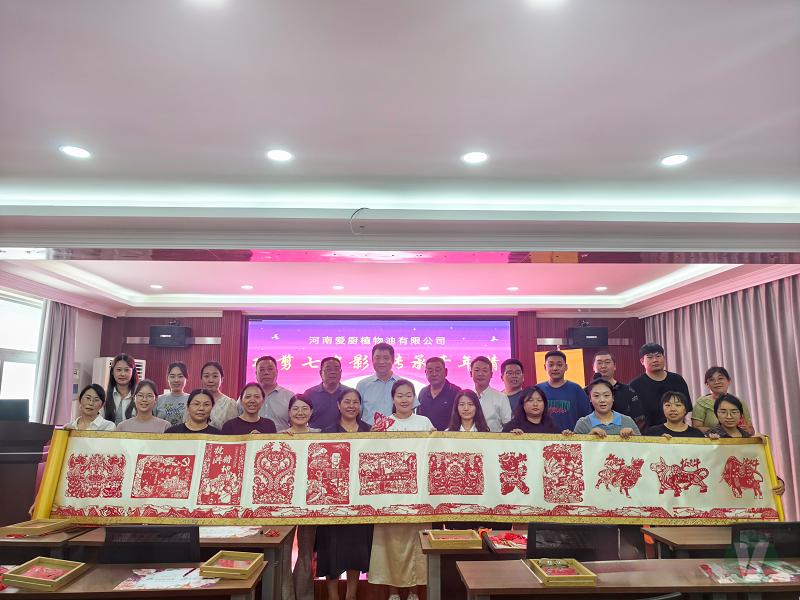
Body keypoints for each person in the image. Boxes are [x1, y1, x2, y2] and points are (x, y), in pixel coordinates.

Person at [368, 379, 434, 600]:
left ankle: (414, 592)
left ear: (414, 398)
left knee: (418, 540)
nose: (404, 399)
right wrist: (371, 439)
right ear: (392, 398)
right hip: (390, 495)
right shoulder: (383, 424)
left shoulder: (424, 422)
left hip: (419, 494)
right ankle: (393, 593)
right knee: (391, 544)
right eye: (400, 395)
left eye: (408, 395)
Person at [316, 389, 373, 600]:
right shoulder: (327, 432)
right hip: (332, 501)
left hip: (361, 500)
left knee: (356, 549)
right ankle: (332, 596)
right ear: (339, 405)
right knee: (331, 549)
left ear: (360, 406)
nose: (351, 406)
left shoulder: (370, 431)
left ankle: (351, 595)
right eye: (347, 402)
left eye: (355, 402)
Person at [280, 394, 320, 600]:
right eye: (295, 409)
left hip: (310, 499)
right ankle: (285, 595)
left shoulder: (321, 436)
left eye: (305, 408)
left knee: (306, 550)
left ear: (311, 412)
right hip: (284, 500)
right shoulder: (279, 436)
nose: (300, 412)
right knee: (283, 551)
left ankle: (304, 596)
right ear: (289, 412)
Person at [706, 395, 786, 497]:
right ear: (716, 414)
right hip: (721, 493)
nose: (729, 416)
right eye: (723, 412)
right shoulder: (709, 437)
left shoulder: (749, 438)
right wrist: (708, 443)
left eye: (734, 412)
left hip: (747, 495)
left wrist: (778, 481)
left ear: (741, 414)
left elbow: (761, 466)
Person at [629, 343, 691, 433]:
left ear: (664, 358)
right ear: (642, 361)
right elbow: (632, 415)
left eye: (658, 356)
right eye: (650, 357)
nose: (655, 360)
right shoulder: (635, 385)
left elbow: (686, 408)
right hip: (647, 434)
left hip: (676, 433)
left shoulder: (677, 380)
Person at [357, 343, 415, 426]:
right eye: (377, 358)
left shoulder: (405, 385)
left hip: (400, 431)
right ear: (372, 360)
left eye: (386, 358)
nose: (381, 362)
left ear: (393, 360)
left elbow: (411, 413)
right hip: (370, 432)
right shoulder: (362, 385)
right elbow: (358, 414)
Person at [588, 351, 646, 431]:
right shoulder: (585, 392)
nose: (603, 366)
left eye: (607, 362)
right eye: (599, 363)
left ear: (615, 366)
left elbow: (639, 420)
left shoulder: (627, 390)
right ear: (593, 367)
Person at [537, 350, 591, 431]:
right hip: (543, 438)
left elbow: (587, 418)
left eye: (559, 365)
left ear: (566, 367)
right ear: (545, 367)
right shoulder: (538, 390)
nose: (555, 368)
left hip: (571, 437)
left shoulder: (576, 389)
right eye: (551, 365)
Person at [692, 367, 755, 435]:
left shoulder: (738, 401)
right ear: (707, 384)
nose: (716, 382)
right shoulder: (702, 402)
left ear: (729, 381)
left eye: (720, 378)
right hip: (711, 440)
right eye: (712, 379)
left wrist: (747, 431)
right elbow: (695, 428)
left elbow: (751, 429)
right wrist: (720, 432)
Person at [571, 378, 639, 439]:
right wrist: (590, 438)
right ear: (590, 399)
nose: (602, 400)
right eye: (596, 396)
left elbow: (642, 447)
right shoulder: (583, 424)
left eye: (606, 395)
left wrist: (634, 438)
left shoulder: (628, 422)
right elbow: (577, 448)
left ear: (613, 397)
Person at [185, 361, 237, 430]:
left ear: (221, 379)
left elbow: (233, 430)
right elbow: (185, 424)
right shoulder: (193, 400)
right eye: (206, 376)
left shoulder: (230, 404)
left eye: (215, 376)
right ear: (201, 379)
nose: (210, 380)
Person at [248, 355, 295, 431]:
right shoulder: (246, 398)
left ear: (276, 372)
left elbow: (296, 428)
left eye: (270, 369)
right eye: (261, 370)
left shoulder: (289, 397)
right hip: (252, 438)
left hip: (281, 438)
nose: (266, 373)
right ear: (256, 373)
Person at [305, 357, 351, 431]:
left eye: (336, 369)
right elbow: (302, 419)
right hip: (316, 437)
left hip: (345, 436)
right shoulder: (309, 394)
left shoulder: (349, 393)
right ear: (320, 373)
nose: (332, 372)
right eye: (328, 369)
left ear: (341, 372)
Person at [418, 357, 461, 432]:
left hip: (448, 437)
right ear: (426, 373)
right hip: (426, 437)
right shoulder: (423, 393)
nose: (434, 374)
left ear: (446, 372)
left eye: (437, 370)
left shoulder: (456, 392)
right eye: (430, 371)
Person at [470, 356, 512, 433]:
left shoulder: (501, 397)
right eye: (477, 370)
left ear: (491, 374)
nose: (481, 374)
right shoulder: (467, 398)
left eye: (485, 371)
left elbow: (508, 426)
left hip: (494, 439)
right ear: (471, 373)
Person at [104, 353, 139, 426]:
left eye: (127, 370)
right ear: (112, 372)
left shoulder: (139, 397)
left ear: (133, 372)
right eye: (119, 370)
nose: (122, 374)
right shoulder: (104, 396)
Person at [155, 361, 190, 427]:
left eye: (180, 376)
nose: (176, 380)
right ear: (168, 378)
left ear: (186, 378)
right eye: (172, 377)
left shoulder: (191, 399)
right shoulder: (158, 400)